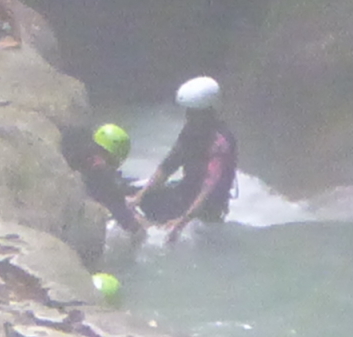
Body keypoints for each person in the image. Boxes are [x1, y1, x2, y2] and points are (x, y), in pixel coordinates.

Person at [132, 77, 238, 243]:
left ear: (208, 112)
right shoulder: (190, 132)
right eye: (189, 112)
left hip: (207, 208)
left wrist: (182, 221)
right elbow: (168, 166)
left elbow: (208, 188)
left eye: (194, 114)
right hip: (185, 194)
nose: (189, 117)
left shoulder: (219, 142)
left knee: (169, 225)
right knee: (141, 199)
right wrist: (140, 195)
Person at [60, 121, 145, 240]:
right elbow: (124, 216)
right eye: (111, 162)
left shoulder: (70, 149)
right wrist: (139, 230)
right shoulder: (101, 176)